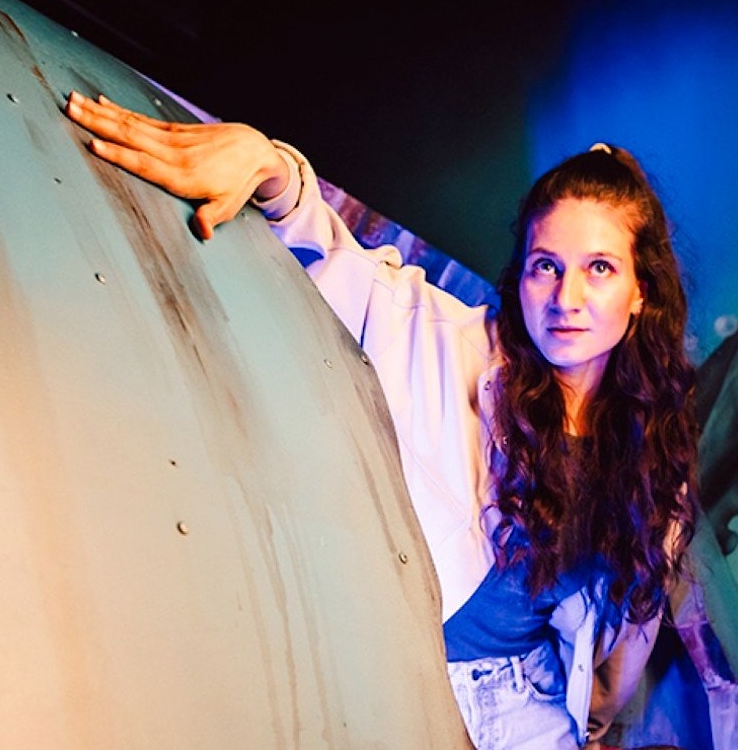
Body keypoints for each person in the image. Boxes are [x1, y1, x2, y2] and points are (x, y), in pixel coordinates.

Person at [64, 91, 698, 749]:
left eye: (600, 268)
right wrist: (274, 171)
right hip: (409, 670)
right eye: (546, 267)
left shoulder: (651, 447)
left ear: (639, 290)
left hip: (528, 698)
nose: (567, 299)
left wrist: (592, 725)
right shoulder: (451, 343)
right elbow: (339, 258)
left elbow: (621, 627)